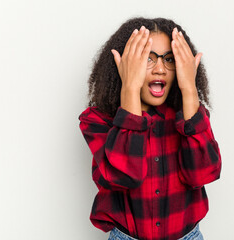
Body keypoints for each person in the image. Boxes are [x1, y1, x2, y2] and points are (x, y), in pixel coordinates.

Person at [78, 17, 222, 240]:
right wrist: (130, 88)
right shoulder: (97, 121)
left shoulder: (189, 117)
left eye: (169, 60)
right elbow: (123, 176)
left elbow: (204, 173)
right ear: (125, 66)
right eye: (147, 58)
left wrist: (189, 90)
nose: (160, 69)